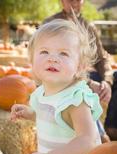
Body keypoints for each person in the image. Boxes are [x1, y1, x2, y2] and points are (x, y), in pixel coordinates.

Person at [11, 19, 102, 154]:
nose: (52, 58)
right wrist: (31, 114)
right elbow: (52, 116)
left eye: (63, 53)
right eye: (44, 51)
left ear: (80, 66)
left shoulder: (75, 100)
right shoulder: (40, 93)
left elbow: (88, 140)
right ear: (32, 61)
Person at [43, 0, 112, 142]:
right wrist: (88, 83)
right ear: (62, 1)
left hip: (85, 75)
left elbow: (101, 57)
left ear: (83, 2)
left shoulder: (88, 26)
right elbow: (54, 63)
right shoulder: (51, 25)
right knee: (77, 91)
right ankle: (99, 136)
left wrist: (107, 81)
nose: (73, 2)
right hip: (59, 77)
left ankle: (112, 127)